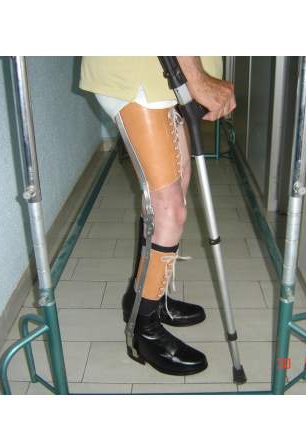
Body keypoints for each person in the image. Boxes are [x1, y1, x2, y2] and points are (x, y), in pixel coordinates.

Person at [80, 56, 236, 376]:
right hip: (140, 75)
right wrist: (199, 79)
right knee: (169, 210)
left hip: (166, 80)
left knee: (175, 188)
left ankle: (148, 296)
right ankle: (143, 329)